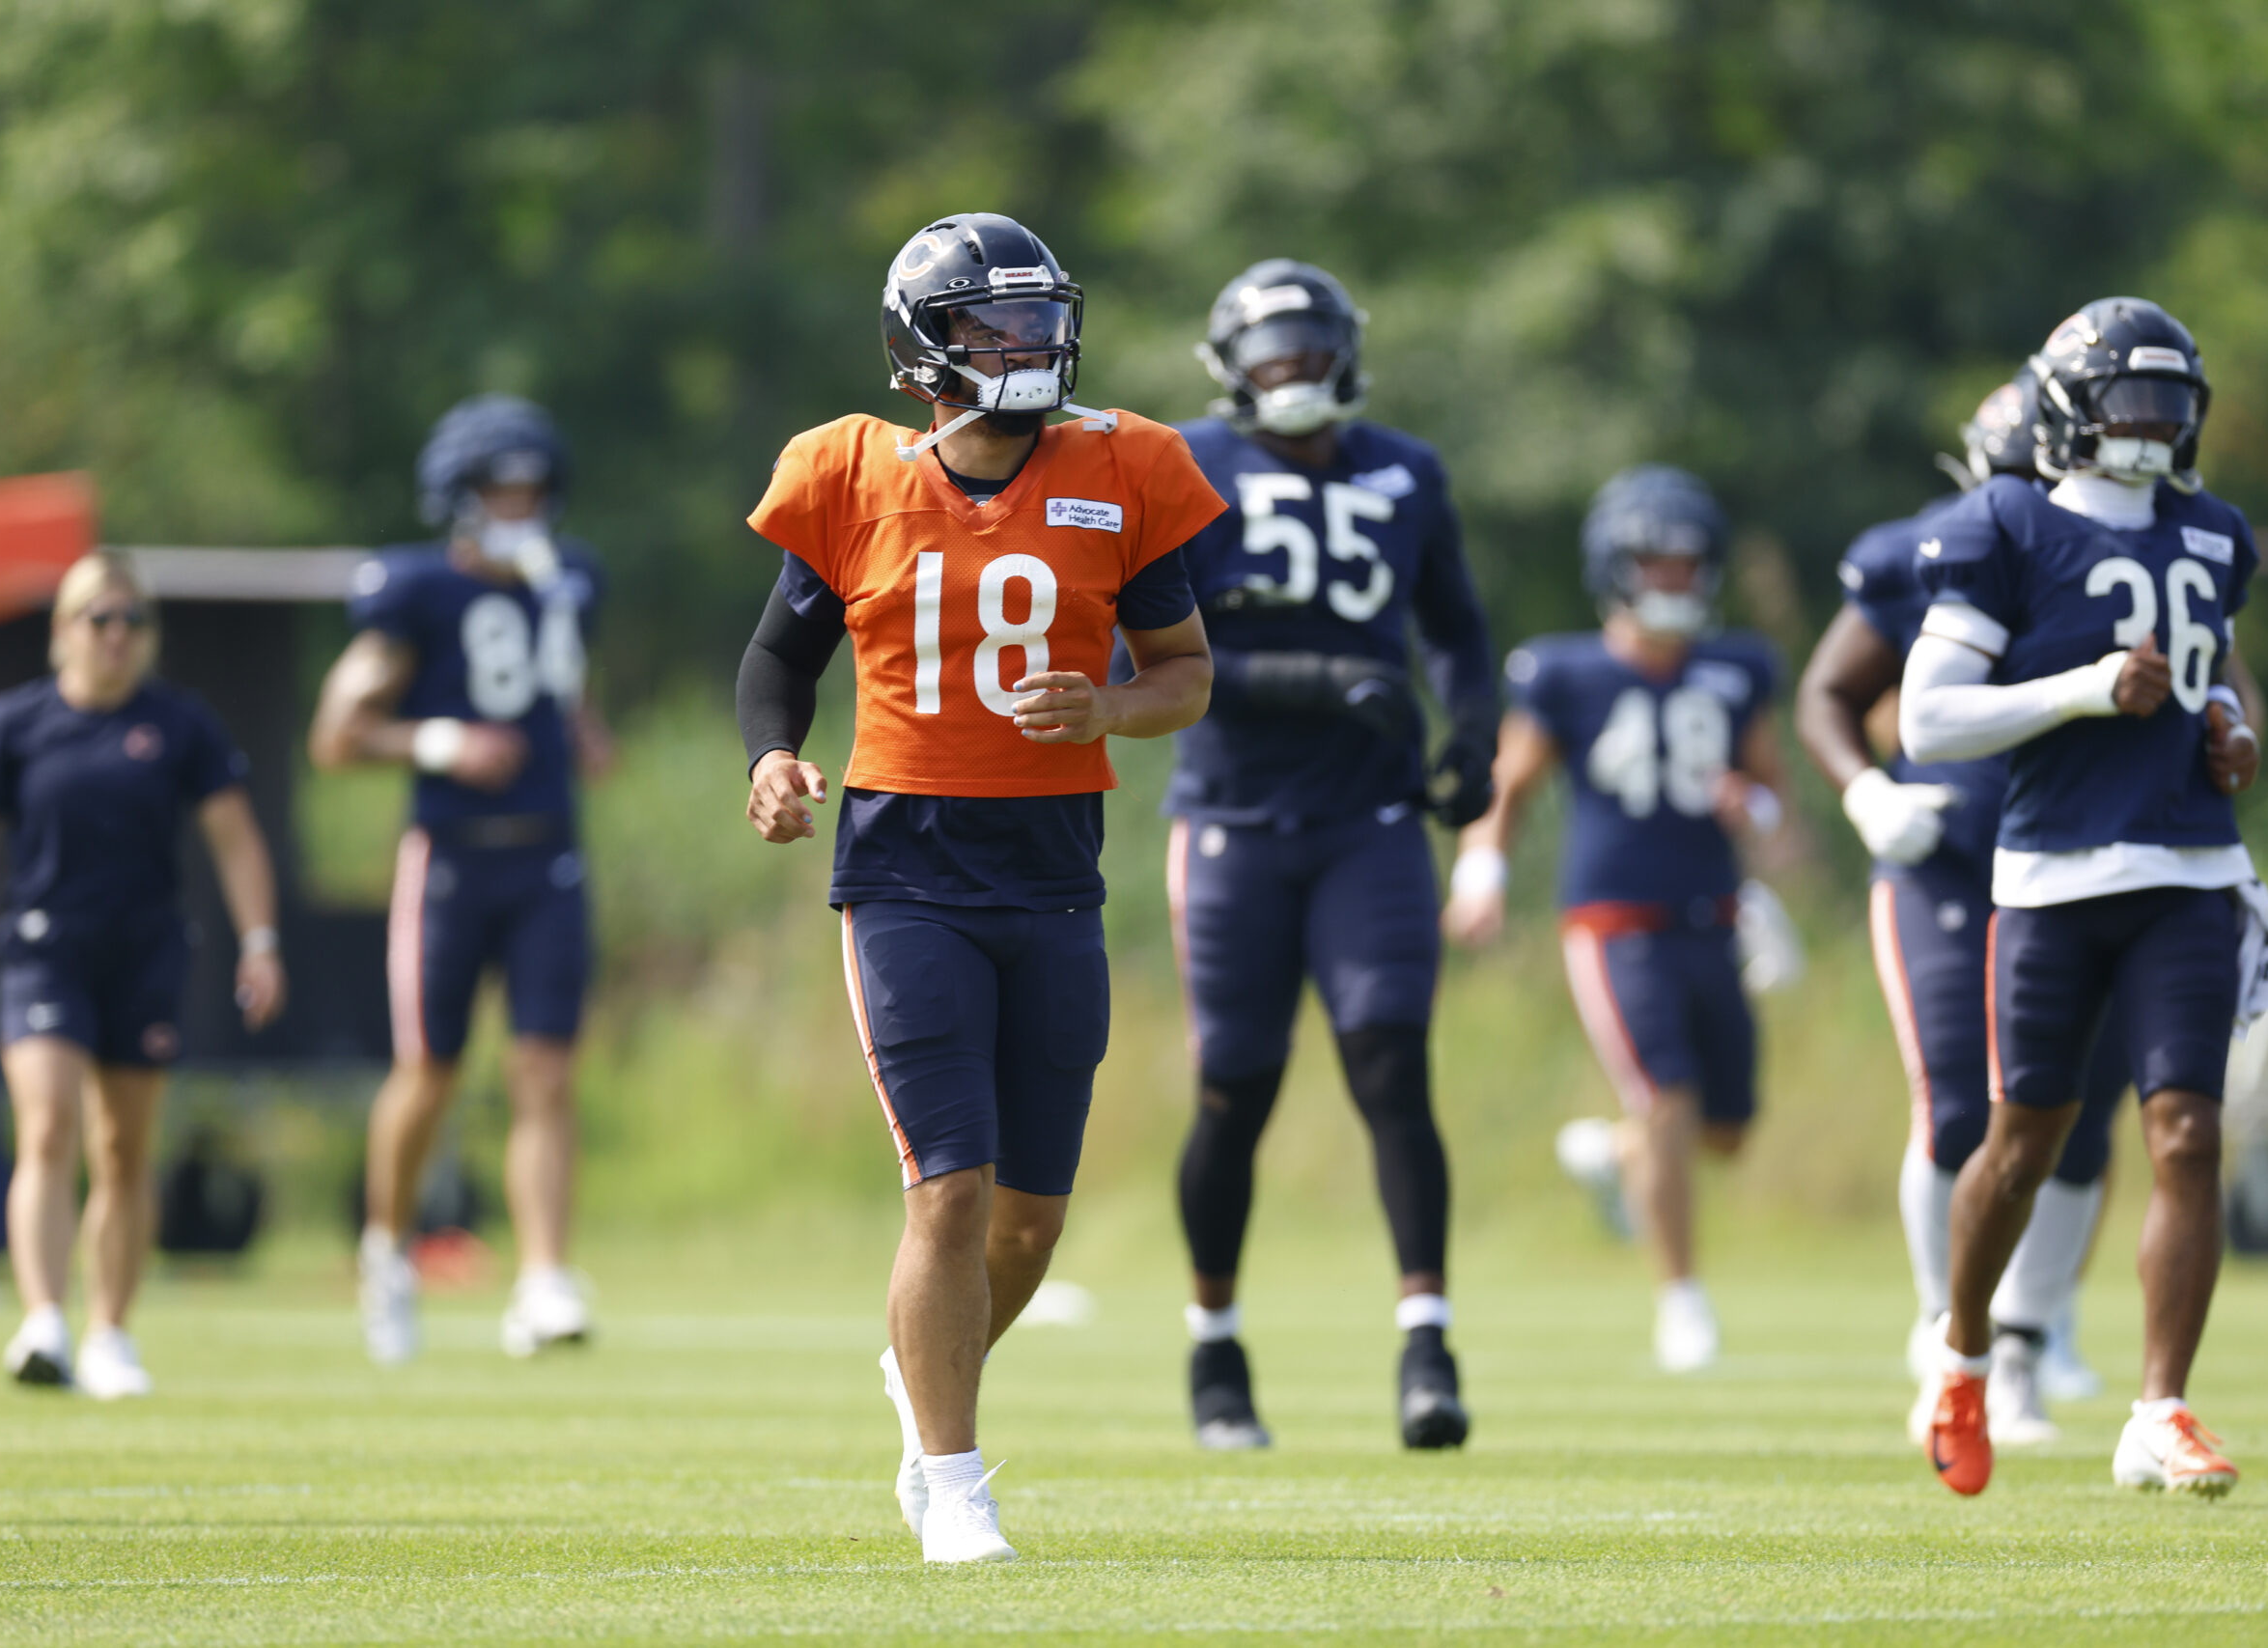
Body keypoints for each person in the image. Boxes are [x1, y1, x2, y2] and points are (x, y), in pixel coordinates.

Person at [739, 213, 1221, 1562]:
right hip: (905, 865)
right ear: (926, 349)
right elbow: (777, 660)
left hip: (1056, 870)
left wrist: (1111, 709)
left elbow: (1188, 671)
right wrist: (774, 755)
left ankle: (921, 1367)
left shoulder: (1126, 467)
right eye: (997, 325)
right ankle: (954, 1483)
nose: (1032, 346)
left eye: (1039, 319)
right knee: (946, 1187)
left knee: (1031, 1216)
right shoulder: (850, 472)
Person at [1899, 297, 2268, 1498]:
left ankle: (2158, 1409)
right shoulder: (2003, 523)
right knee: (2020, 1145)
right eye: (2127, 401)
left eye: (2169, 404)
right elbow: (1928, 720)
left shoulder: (2212, 533)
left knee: (2187, 1133)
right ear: (2068, 407)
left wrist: (2231, 733)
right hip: (2054, 872)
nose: (2149, 426)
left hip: (2187, 868)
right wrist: (2080, 689)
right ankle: (1960, 1359)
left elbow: (2219, 685)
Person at [1162, 260, 1498, 1452]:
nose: (1292, 368)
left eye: (1310, 346)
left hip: (1371, 821)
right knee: (1233, 1089)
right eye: (1270, 352)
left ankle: (1426, 1346)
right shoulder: (1185, 466)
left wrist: (1475, 737)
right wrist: (1315, 677)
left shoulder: (1404, 468)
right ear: (1229, 369)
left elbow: (1455, 627)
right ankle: (1215, 1350)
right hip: (1235, 822)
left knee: (1392, 1067)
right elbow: (1140, 655)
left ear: (1346, 351)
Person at [1796, 373, 2134, 1443]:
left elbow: (2230, 687)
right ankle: (1952, 1330)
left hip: (2096, 859)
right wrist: (1861, 791)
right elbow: (1829, 693)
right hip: (1948, 858)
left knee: (2075, 1124)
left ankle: (2028, 1342)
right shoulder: (1925, 551)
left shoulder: (2147, 548)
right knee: (1955, 1110)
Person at [0, 552, 287, 1397]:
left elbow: (234, 835)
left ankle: (110, 1328)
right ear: (63, 631)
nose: (116, 637)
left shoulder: (179, 725)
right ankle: (43, 1319)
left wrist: (260, 941)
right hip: (45, 947)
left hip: (144, 952)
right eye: (98, 619)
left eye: (131, 621)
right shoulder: (16, 722)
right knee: (46, 1127)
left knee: (123, 1147)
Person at [1443, 466, 1787, 1372]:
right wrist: (1482, 868)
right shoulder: (1566, 671)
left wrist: (1755, 830)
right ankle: (1682, 1301)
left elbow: (1774, 801)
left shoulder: (1736, 668)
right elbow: (1508, 786)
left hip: (1713, 916)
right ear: (1618, 568)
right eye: (1657, 563)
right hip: (1612, 919)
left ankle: (1613, 1153)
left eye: (1688, 563)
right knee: (1668, 1096)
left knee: (1727, 1130)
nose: (1675, 579)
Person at [309, 395, 615, 1365]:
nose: (520, 500)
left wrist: (583, 728)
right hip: (451, 857)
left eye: (532, 484)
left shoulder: (566, 583)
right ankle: (387, 1255)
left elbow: (567, 694)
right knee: (431, 1072)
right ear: (461, 494)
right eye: (500, 484)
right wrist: (438, 740)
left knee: (545, 1069)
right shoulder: (415, 592)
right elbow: (337, 734)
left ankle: (542, 1278)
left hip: (548, 854)